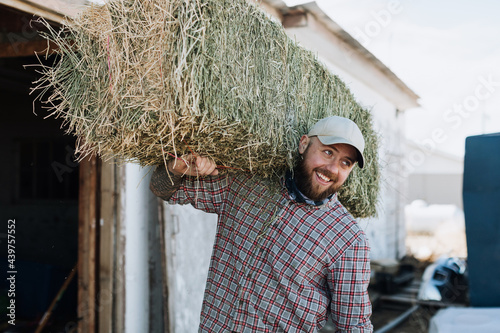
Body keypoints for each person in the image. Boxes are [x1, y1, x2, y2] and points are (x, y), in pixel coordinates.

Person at [149, 115, 373, 332]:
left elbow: (355, 327)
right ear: (304, 144)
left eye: (345, 163)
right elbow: (164, 189)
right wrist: (177, 168)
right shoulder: (245, 185)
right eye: (327, 152)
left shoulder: (348, 240)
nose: (333, 168)